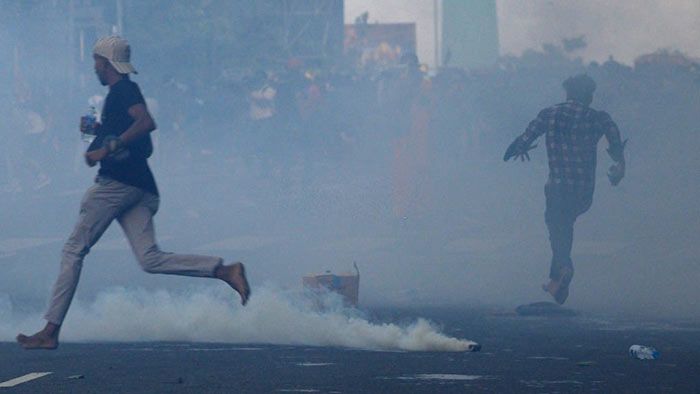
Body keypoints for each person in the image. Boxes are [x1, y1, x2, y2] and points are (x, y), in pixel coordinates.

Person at [16, 36, 250, 350]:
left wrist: (108, 148)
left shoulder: (123, 89)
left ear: (107, 62)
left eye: (97, 61)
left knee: (73, 250)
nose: (95, 67)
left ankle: (50, 330)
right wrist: (95, 137)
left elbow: (145, 123)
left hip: (116, 186)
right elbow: (114, 139)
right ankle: (223, 270)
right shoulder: (118, 96)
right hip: (142, 189)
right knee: (150, 259)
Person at [504, 74, 626, 304]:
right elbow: (615, 143)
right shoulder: (598, 117)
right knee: (563, 226)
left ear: (568, 93)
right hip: (583, 191)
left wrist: (517, 149)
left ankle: (562, 269)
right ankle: (557, 280)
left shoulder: (549, 114)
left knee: (558, 226)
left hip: (558, 186)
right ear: (588, 96)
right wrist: (619, 167)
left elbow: (521, 141)